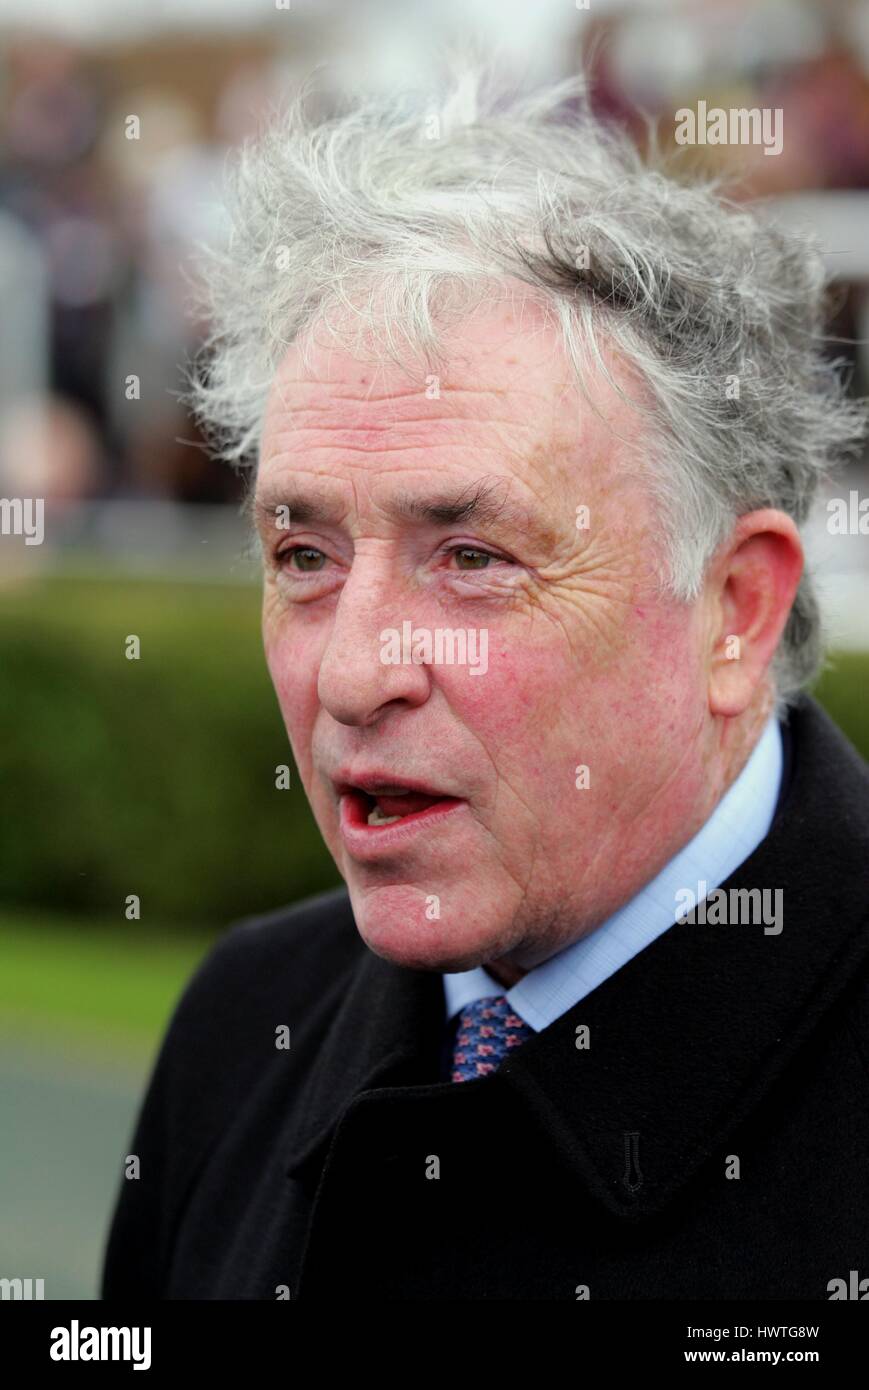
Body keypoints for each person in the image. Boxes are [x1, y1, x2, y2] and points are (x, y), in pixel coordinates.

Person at [101, 67, 869, 1300]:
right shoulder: (244, 1027)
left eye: (471, 558)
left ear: (734, 609)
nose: (352, 671)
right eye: (303, 556)